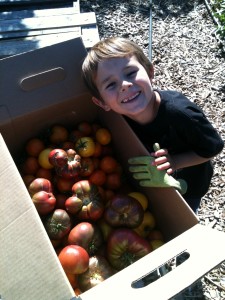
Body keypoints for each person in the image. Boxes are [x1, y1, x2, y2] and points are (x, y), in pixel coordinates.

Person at [81, 37, 224, 213]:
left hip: (191, 181)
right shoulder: (119, 120)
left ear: (150, 72)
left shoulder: (181, 114)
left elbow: (213, 148)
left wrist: (175, 162)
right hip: (155, 182)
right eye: (111, 84)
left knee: (186, 211)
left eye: (130, 73)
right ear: (102, 103)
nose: (125, 85)